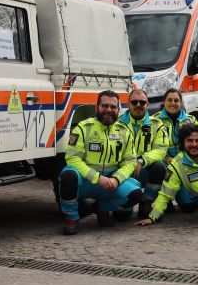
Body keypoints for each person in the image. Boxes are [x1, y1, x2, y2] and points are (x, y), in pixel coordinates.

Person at [58, 90, 144, 235]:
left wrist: (117, 179)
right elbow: (72, 158)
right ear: (96, 107)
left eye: (113, 107)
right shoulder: (83, 128)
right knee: (67, 176)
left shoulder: (124, 132)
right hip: (85, 180)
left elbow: (130, 161)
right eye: (104, 106)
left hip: (111, 181)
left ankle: (101, 208)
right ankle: (72, 218)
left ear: (118, 109)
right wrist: (96, 177)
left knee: (135, 194)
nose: (108, 110)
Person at [114, 88, 166, 221]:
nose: (138, 105)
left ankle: (146, 202)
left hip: (144, 169)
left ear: (147, 105)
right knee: (121, 217)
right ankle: (125, 203)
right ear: (128, 104)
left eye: (142, 103)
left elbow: (161, 150)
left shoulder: (157, 125)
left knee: (159, 166)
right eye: (134, 102)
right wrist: (130, 164)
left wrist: (142, 160)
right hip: (124, 172)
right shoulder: (116, 124)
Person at [151, 88, 198, 211]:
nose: (173, 103)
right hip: (164, 164)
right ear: (164, 102)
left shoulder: (191, 120)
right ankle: (163, 199)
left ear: (181, 102)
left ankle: (179, 194)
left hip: (183, 165)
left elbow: (196, 145)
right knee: (158, 168)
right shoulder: (154, 120)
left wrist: (179, 160)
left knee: (190, 207)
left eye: (176, 100)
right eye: (170, 100)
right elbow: (151, 146)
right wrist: (165, 158)